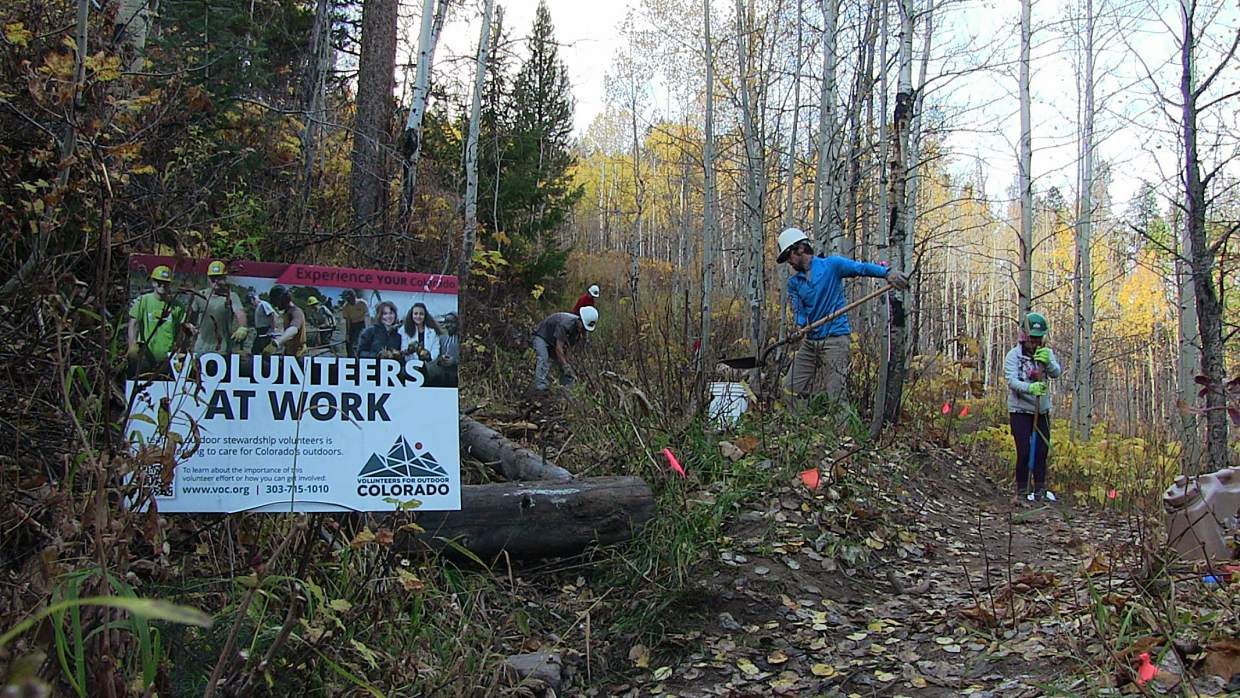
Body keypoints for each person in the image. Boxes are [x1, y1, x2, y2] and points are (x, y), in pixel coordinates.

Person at [776, 228, 909, 407]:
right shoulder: (794, 283)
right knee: (789, 388)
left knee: (836, 396)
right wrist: (799, 328)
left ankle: (842, 425)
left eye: (788, 255)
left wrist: (887, 273)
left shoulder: (832, 265)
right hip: (811, 341)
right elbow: (799, 310)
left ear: (800, 249)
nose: (789, 261)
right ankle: (802, 422)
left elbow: (861, 268)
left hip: (835, 340)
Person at [1004, 312, 1062, 503]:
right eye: (1032, 338)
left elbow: (1056, 373)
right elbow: (1011, 381)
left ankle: (1039, 489)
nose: (1035, 342)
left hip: (1041, 410)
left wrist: (1048, 363)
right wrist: (1030, 388)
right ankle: (1022, 490)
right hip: (1020, 410)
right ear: (1024, 336)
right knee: (1024, 451)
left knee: (1041, 451)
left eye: (1039, 338)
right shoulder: (1013, 356)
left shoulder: (1045, 353)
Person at [127, 264, 186, 377]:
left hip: (168, 358)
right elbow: (133, 323)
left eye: (166, 282)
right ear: (153, 282)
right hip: (145, 357)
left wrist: (180, 350)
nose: (162, 285)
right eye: (159, 282)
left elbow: (182, 330)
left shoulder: (177, 306)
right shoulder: (143, 301)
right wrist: (132, 346)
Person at [187, 260, 248, 354]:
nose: (215, 281)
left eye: (219, 278)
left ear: (224, 278)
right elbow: (190, 317)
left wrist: (242, 327)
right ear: (208, 278)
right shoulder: (200, 295)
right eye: (213, 278)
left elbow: (240, 313)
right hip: (200, 348)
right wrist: (188, 326)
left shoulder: (231, 296)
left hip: (222, 349)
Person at [532, 306, 598, 391]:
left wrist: (570, 364)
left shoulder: (582, 332)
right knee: (543, 358)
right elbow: (559, 347)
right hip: (542, 336)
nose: (584, 330)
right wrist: (565, 365)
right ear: (579, 320)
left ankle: (566, 389)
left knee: (565, 365)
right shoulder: (565, 324)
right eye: (583, 327)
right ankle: (539, 386)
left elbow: (573, 349)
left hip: (554, 341)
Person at [262, 285, 307, 356]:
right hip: (290, 352)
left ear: (283, 299)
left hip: (298, 353)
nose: (276, 305)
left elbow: (293, 329)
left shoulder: (296, 312)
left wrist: (276, 342)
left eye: (276, 301)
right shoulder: (287, 312)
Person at [427, 311, 460, 387]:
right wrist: (440, 359)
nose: (448, 325)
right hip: (443, 376)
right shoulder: (442, 338)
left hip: (456, 377)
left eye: (452, 322)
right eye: (447, 322)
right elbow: (436, 356)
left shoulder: (462, 339)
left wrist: (454, 361)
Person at [340, 290, 369, 358]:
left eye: (351, 298)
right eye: (348, 299)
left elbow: (367, 316)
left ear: (354, 297)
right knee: (349, 342)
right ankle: (350, 358)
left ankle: (361, 356)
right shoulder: (346, 307)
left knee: (360, 340)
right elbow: (348, 321)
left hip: (362, 323)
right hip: (352, 324)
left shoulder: (362, 303)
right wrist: (347, 334)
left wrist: (367, 329)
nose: (350, 300)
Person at [248, 290, 277, 356]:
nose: (251, 303)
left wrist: (272, 329)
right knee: (256, 349)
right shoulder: (257, 307)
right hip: (260, 330)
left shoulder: (263, 304)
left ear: (254, 298)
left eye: (251, 300)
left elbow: (272, 315)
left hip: (265, 329)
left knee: (262, 349)